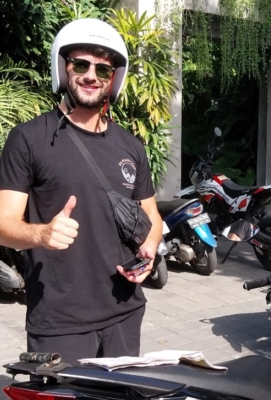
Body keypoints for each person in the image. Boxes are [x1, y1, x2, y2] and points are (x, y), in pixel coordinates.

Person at [0, 19, 162, 365]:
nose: (91, 76)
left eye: (103, 69)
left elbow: (152, 215)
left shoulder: (130, 145)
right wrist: (41, 234)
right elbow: (3, 224)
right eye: (80, 65)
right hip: (60, 323)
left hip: (125, 311)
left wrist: (149, 249)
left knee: (122, 391)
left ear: (113, 79)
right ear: (63, 68)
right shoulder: (29, 139)